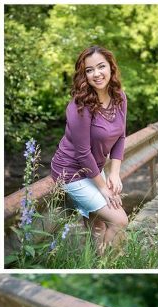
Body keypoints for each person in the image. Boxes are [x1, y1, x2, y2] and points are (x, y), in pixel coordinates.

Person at [51, 46, 128, 253]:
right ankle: (107, 264)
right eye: (89, 70)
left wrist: (114, 173)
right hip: (71, 171)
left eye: (101, 66)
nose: (97, 74)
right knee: (119, 220)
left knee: (99, 225)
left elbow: (120, 136)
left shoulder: (119, 96)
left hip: (94, 167)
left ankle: (96, 260)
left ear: (111, 68)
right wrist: (103, 188)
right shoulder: (80, 106)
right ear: (84, 75)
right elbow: (82, 152)